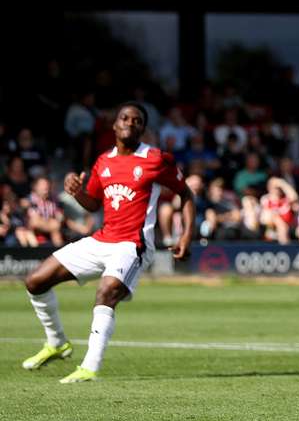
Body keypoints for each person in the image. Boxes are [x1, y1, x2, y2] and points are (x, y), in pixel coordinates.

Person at [20, 102, 195, 383]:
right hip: (102, 239)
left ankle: (90, 367)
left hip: (133, 244)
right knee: (35, 281)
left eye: (137, 120)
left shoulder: (156, 159)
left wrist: (186, 234)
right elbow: (92, 204)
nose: (129, 122)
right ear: (114, 126)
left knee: (107, 291)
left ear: (142, 128)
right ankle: (57, 342)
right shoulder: (103, 162)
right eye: (124, 118)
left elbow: (186, 194)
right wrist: (76, 192)